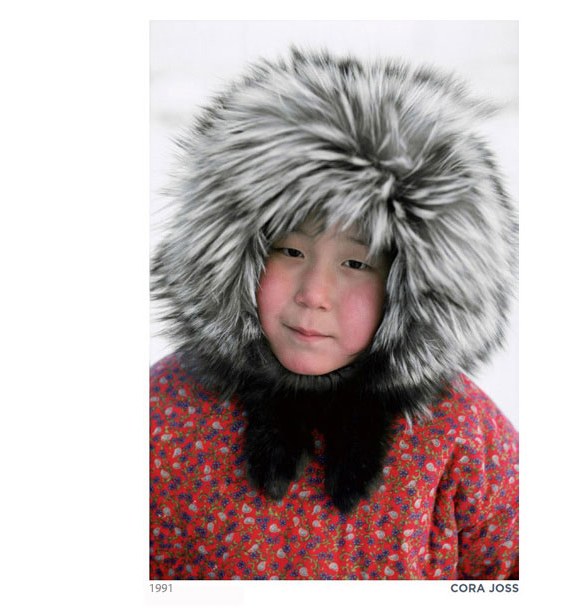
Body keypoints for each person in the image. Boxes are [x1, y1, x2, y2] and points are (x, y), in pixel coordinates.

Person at [150, 48, 519, 580]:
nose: (314, 293)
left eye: (356, 263)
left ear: (414, 287)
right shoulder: (165, 418)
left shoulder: (460, 436)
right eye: (290, 251)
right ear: (237, 258)